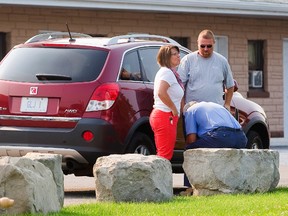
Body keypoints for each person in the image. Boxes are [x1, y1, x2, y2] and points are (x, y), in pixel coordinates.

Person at [180, 101, 247, 196]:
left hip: (221, 136)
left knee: (189, 149)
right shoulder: (217, 106)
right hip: (241, 138)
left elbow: (191, 139)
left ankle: (190, 187)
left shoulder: (190, 111)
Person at [178, 29, 234, 111]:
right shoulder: (188, 60)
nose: (206, 49)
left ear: (214, 43)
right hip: (193, 111)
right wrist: (183, 109)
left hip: (216, 110)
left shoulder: (222, 61)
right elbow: (180, 88)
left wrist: (227, 104)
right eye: (202, 46)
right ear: (197, 43)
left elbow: (230, 85)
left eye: (209, 46)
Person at [149, 45, 184, 160]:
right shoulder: (166, 73)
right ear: (166, 57)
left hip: (166, 116)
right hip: (165, 115)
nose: (178, 56)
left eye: (178, 53)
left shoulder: (171, 73)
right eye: (174, 54)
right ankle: (160, 177)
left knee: (165, 154)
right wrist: (174, 109)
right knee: (164, 156)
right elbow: (161, 93)